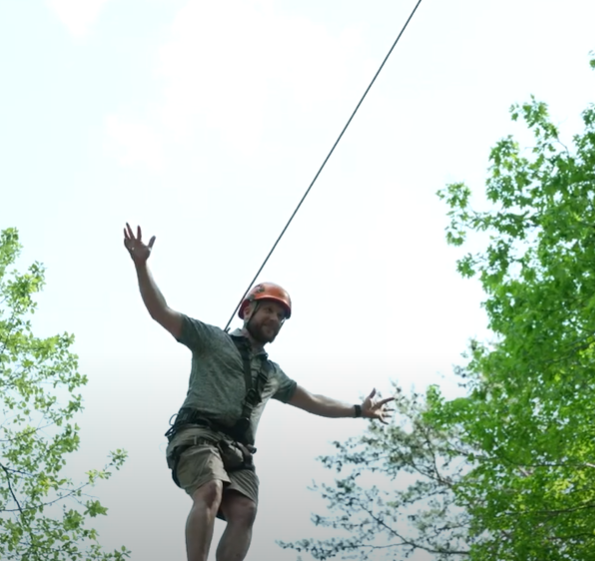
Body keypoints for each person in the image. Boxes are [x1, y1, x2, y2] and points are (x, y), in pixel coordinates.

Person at [123, 223, 394, 561]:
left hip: (238, 453)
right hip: (198, 437)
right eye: (268, 310)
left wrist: (358, 409)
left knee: (245, 511)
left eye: (281, 316)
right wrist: (141, 264)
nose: (274, 319)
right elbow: (160, 311)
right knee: (210, 489)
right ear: (247, 310)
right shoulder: (211, 339)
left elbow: (313, 401)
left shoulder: (272, 373)